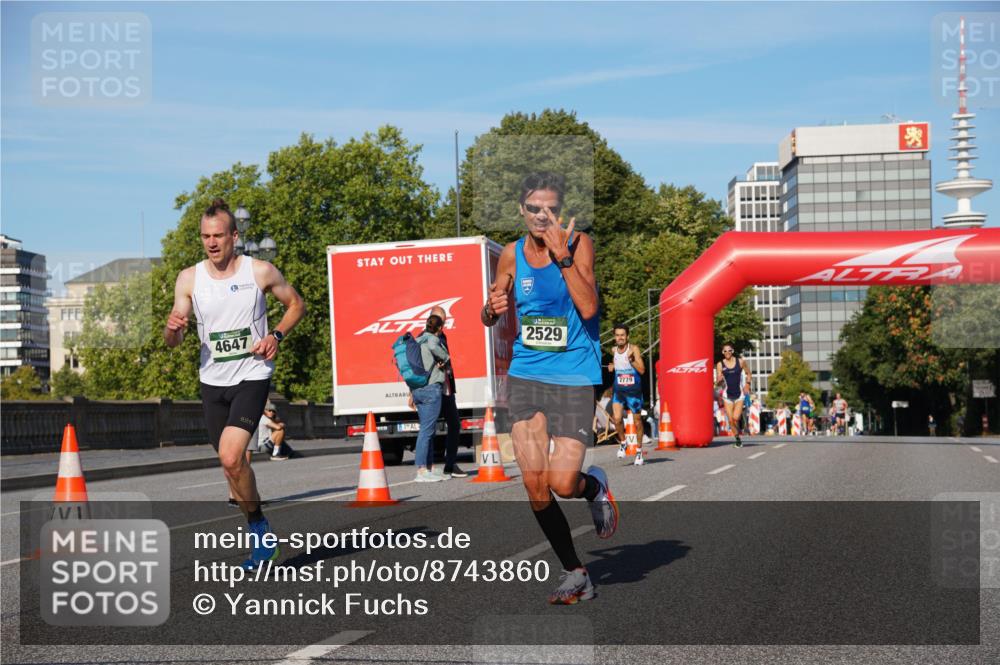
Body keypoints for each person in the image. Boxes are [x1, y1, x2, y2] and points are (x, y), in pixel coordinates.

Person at [481, 171, 616, 605]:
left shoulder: (579, 244)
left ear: (561, 211)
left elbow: (589, 307)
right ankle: (575, 571)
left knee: (562, 482)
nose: (543, 216)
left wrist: (563, 259)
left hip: (574, 375)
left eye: (551, 209)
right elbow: (491, 310)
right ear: (522, 210)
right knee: (535, 482)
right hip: (527, 374)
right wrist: (490, 310)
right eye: (534, 208)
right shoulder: (511, 255)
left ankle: (592, 488)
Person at [164, 198, 305, 570]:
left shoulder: (259, 271)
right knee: (232, 467)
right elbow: (174, 339)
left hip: (252, 375)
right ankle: (260, 529)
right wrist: (172, 329)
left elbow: (296, 305)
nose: (211, 243)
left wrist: (276, 335)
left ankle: (259, 531)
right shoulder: (189, 279)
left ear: (234, 236)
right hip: (212, 381)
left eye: (218, 236)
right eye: (205, 236)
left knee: (231, 456)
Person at [408, 314, 451, 482]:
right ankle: (421, 470)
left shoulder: (418, 340)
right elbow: (437, 349)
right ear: (440, 328)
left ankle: (430, 467)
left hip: (417, 389)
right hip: (431, 389)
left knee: (429, 429)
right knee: (426, 431)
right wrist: (445, 357)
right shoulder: (432, 340)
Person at [430, 305, 468, 478]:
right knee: (429, 428)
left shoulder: (442, 336)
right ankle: (427, 467)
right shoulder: (425, 338)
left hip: (447, 389)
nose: (442, 326)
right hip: (432, 389)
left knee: (454, 424)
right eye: (440, 322)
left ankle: (450, 465)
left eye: (444, 322)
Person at [606, 324, 645, 458]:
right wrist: (613, 366)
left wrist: (632, 360)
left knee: (637, 421)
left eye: (622, 335)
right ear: (615, 337)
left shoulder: (634, 349)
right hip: (619, 391)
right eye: (617, 335)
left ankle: (639, 451)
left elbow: (642, 370)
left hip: (633, 392)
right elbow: (619, 365)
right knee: (616, 419)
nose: (620, 338)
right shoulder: (613, 350)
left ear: (627, 336)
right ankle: (623, 443)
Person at [715, 344, 751, 447]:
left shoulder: (740, 362)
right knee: (730, 420)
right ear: (723, 352)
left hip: (739, 395)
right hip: (727, 396)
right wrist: (719, 381)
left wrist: (747, 385)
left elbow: (748, 373)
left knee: (735, 418)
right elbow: (719, 382)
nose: (727, 353)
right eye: (725, 351)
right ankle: (738, 439)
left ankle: (739, 430)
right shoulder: (720, 364)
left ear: (732, 351)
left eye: (729, 350)